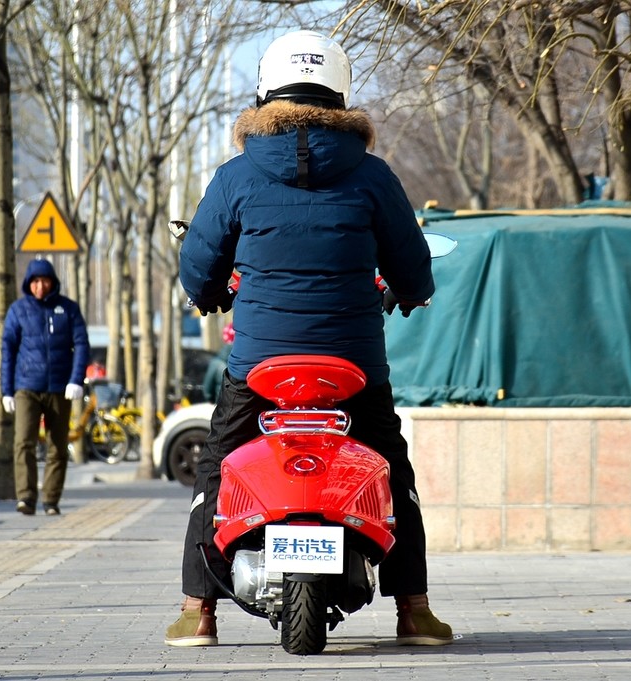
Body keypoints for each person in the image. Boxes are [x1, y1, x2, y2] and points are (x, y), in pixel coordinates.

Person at [165, 30, 452, 647]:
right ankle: (414, 612)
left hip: (260, 361)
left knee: (215, 466)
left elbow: (198, 263)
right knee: (393, 472)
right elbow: (413, 266)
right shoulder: (373, 176)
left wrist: (209, 292)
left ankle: (198, 612)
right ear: (339, 96)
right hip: (352, 363)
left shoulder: (236, 176)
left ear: (266, 92)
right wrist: (408, 290)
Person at [1, 258, 90, 516]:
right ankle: (26, 498)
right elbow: (7, 351)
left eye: (44, 281)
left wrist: (76, 379)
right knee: (24, 443)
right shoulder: (17, 311)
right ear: (29, 283)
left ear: (52, 282)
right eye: (35, 281)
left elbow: (81, 344)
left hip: (60, 388)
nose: (40, 286)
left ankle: (51, 499)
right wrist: (7, 391)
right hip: (27, 387)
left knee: (58, 446)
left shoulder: (68, 309)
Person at [201, 323, 234, 403]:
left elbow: (207, 391)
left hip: (221, 407)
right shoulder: (247, 360)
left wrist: (213, 401)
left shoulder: (216, 363)